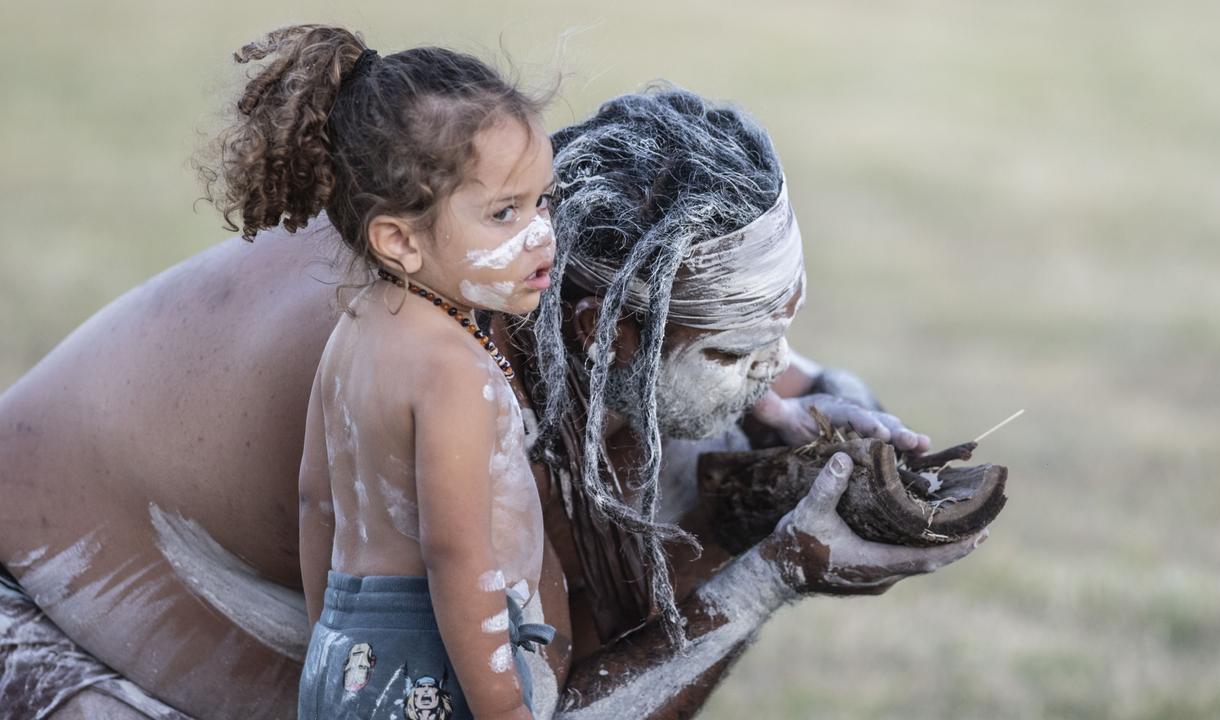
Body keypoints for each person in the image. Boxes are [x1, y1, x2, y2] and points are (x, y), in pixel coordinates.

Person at [0, 83, 982, 718]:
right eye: (742, 347)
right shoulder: (453, 394)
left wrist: (825, 405)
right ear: (608, 326)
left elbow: (723, 363)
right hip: (30, 622)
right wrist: (769, 573)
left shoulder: (518, 251)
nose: (776, 371)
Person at [198, 26, 560, 719]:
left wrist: (335, 646)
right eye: (504, 213)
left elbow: (317, 503)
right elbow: (457, 555)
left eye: (543, 200)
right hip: (438, 663)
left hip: (348, 656)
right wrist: (504, 709)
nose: (540, 233)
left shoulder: (354, 332)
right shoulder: (453, 366)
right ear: (399, 239)